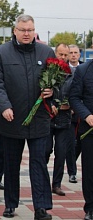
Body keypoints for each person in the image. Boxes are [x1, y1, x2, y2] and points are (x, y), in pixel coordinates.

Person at [0, 14, 55, 219]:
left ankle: (41, 207)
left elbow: (58, 81)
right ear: (15, 30)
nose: (26, 34)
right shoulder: (1, 52)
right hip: (11, 119)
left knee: (39, 163)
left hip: (39, 119)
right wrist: (4, 106)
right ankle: (10, 204)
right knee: (11, 163)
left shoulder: (46, 52)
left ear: (34, 30)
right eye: (22, 30)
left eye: (30, 30)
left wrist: (52, 93)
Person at [45, 43, 73, 197]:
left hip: (64, 119)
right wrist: (50, 105)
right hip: (48, 118)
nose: (63, 57)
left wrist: (68, 105)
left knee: (61, 153)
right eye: (60, 54)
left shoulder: (73, 74)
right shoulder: (48, 70)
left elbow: (76, 93)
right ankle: (42, 180)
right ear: (55, 53)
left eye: (65, 55)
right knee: (45, 150)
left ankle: (56, 184)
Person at [69, 59, 93, 220]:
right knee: (90, 170)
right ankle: (90, 207)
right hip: (89, 129)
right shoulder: (84, 70)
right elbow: (74, 98)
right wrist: (86, 115)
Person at [66, 44, 83, 184]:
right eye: (70, 52)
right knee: (70, 143)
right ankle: (72, 172)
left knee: (81, 144)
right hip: (68, 114)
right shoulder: (62, 69)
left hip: (83, 114)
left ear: (79, 54)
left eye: (75, 52)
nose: (73, 55)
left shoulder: (85, 68)